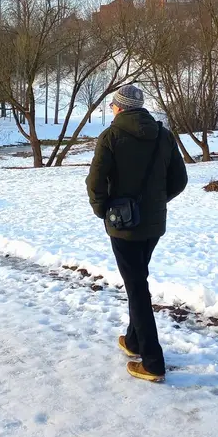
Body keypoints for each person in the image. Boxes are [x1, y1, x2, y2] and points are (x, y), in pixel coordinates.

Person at [86, 84, 188, 383]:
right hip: (153, 225)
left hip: (123, 226)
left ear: (120, 107)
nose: (112, 109)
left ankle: (153, 362)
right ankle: (133, 341)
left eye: (113, 105)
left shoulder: (111, 136)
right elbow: (179, 180)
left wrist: (103, 210)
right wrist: (155, 204)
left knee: (137, 290)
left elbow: (95, 182)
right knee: (138, 278)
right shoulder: (163, 135)